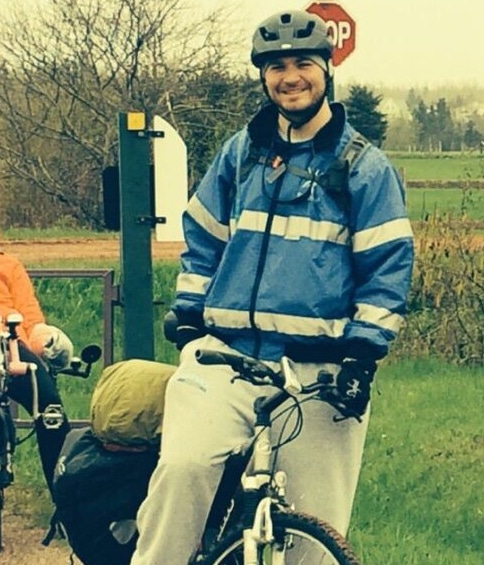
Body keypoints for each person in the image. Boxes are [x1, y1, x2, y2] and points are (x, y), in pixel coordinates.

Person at [132, 9, 414, 565]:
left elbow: (387, 268)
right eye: (277, 66)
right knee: (182, 474)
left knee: (316, 532)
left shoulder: (364, 166)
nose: (291, 77)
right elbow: (204, 237)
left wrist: (363, 353)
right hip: (225, 358)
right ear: (263, 76)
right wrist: (190, 308)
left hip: (321, 373)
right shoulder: (241, 153)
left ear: (326, 69)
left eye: (303, 63)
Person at [0, 248, 73, 492]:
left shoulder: (8, 265)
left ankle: (64, 497)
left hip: (11, 347)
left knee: (50, 407)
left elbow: (30, 317)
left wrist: (45, 341)